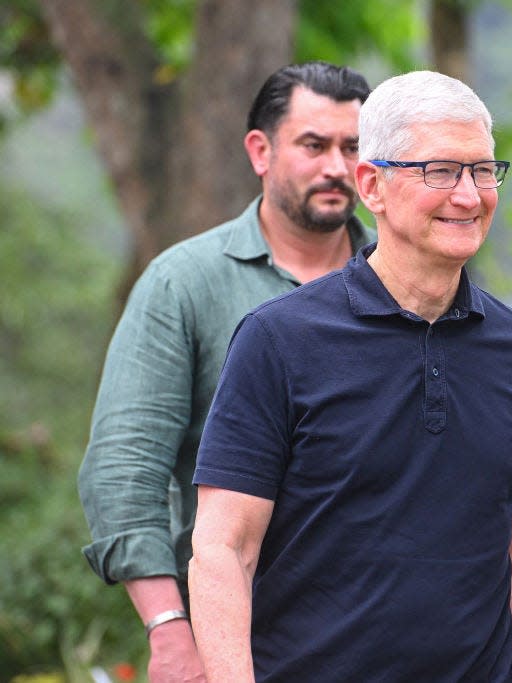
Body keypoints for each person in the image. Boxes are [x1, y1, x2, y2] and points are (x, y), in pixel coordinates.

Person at [188, 70, 512, 683]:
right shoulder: (279, 340)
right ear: (372, 185)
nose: (468, 194)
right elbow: (224, 550)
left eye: (483, 170)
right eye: (438, 171)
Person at [76, 62, 373, 682]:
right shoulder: (183, 283)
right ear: (260, 151)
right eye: (314, 145)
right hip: (236, 642)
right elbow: (123, 468)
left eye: (354, 147)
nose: (338, 169)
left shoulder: (402, 281)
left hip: (392, 640)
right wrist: (168, 629)